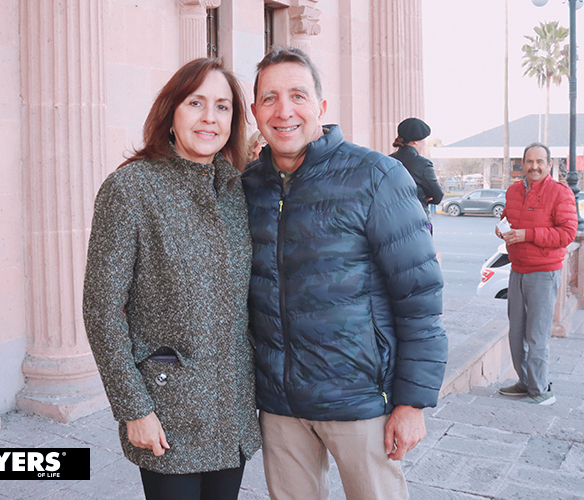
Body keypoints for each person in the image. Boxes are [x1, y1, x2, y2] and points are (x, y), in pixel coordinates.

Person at [242, 46, 448, 500]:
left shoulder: (376, 176)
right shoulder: (248, 185)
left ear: (321, 106)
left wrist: (412, 402)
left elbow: (419, 297)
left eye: (298, 95)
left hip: (360, 401)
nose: (284, 111)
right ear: (255, 112)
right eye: (270, 98)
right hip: (280, 406)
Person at [83, 58, 261, 500]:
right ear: (171, 111)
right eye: (195, 103)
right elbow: (101, 309)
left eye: (222, 107)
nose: (210, 117)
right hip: (167, 409)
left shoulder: (236, 189)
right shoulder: (131, 189)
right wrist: (133, 408)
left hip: (232, 409)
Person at [496, 142, 577, 405]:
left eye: (540, 161)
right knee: (516, 334)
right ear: (523, 164)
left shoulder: (560, 193)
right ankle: (525, 382)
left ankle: (540, 391)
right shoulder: (513, 190)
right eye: (529, 161)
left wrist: (527, 235)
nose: (534, 166)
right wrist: (501, 229)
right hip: (517, 269)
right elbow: (507, 218)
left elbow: (567, 234)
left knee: (537, 335)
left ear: (549, 165)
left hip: (543, 273)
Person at [390, 117, 443, 234]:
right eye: (423, 139)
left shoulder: (387, 160)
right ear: (415, 141)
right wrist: (422, 196)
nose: (424, 143)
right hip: (416, 222)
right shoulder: (423, 164)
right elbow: (437, 196)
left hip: (390, 222)